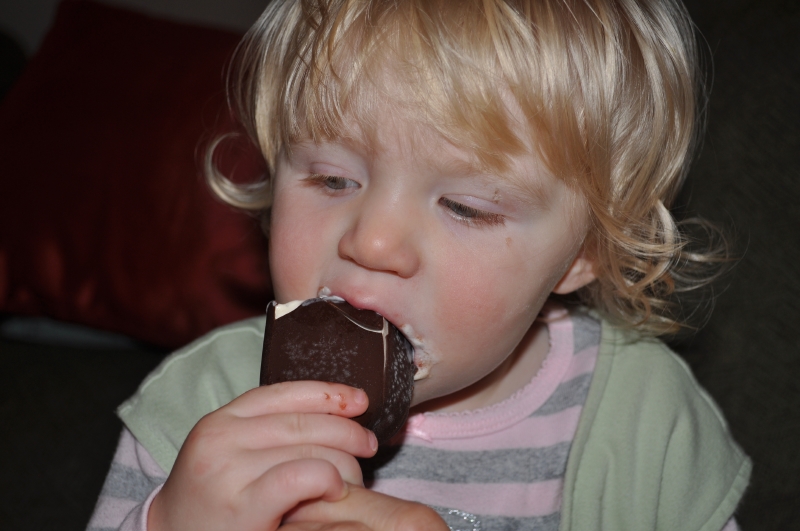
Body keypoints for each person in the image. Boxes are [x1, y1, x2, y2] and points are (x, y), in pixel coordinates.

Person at [87, 0, 751, 530]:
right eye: (331, 178)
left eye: (465, 206)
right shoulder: (201, 405)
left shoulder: (645, 423)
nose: (373, 242)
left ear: (586, 252)